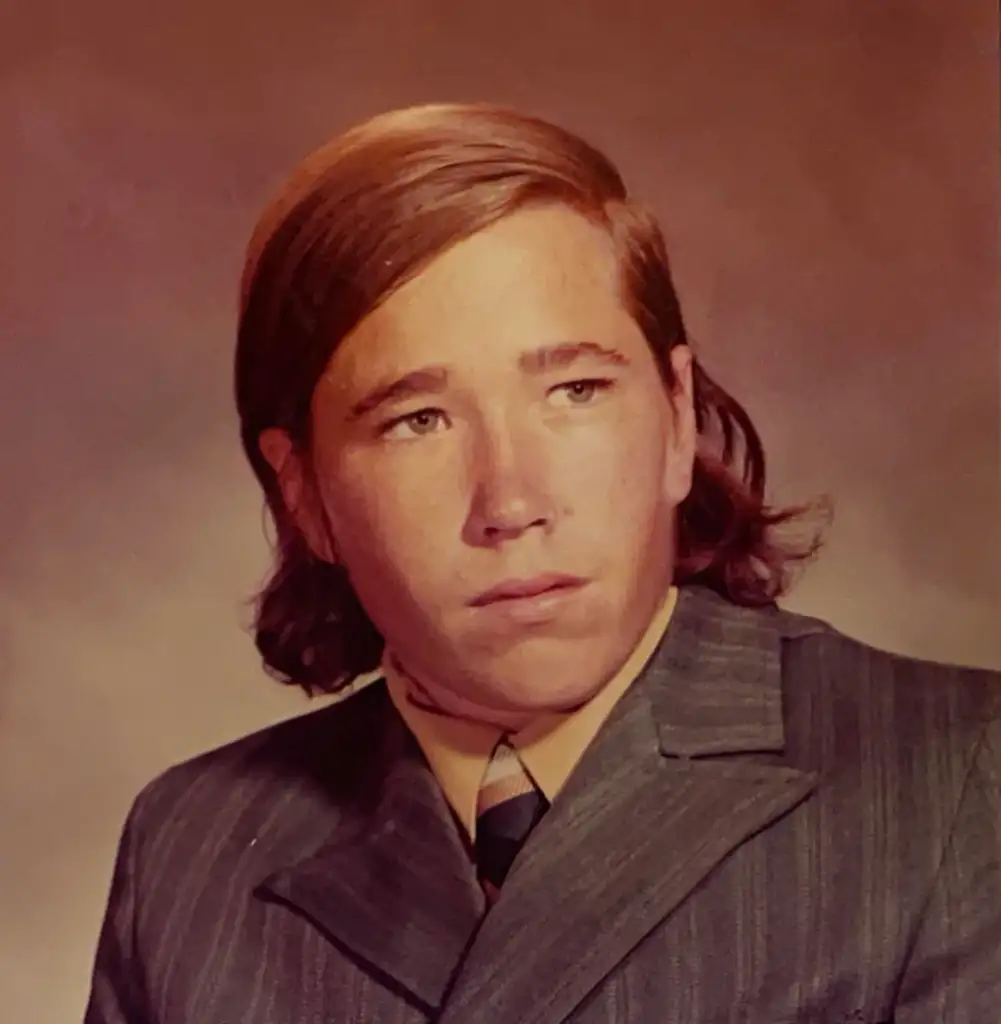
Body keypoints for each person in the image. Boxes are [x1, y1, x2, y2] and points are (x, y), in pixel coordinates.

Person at [84, 102, 1001, 1024]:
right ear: (304, 496)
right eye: (417, 421)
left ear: (676, 416)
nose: (511, 503)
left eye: (574, 390)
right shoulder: (188, 851)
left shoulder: (954, 775)